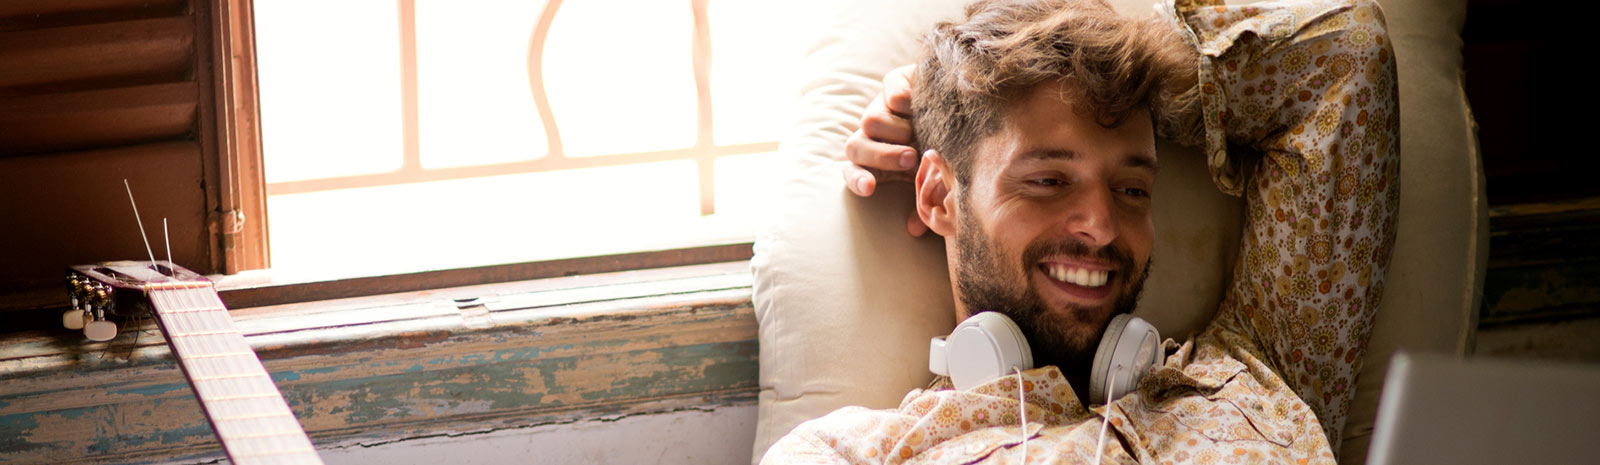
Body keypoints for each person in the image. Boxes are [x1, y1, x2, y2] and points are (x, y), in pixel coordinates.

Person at [763, 0, 1400, 463]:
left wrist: (1137, 62)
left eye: (1132, 190)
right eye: (1048, 181)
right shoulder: (848, 455)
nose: (1101, 227)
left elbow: (1345, 53)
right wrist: (943, 98)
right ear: (938, 195)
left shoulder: (1256, 384)